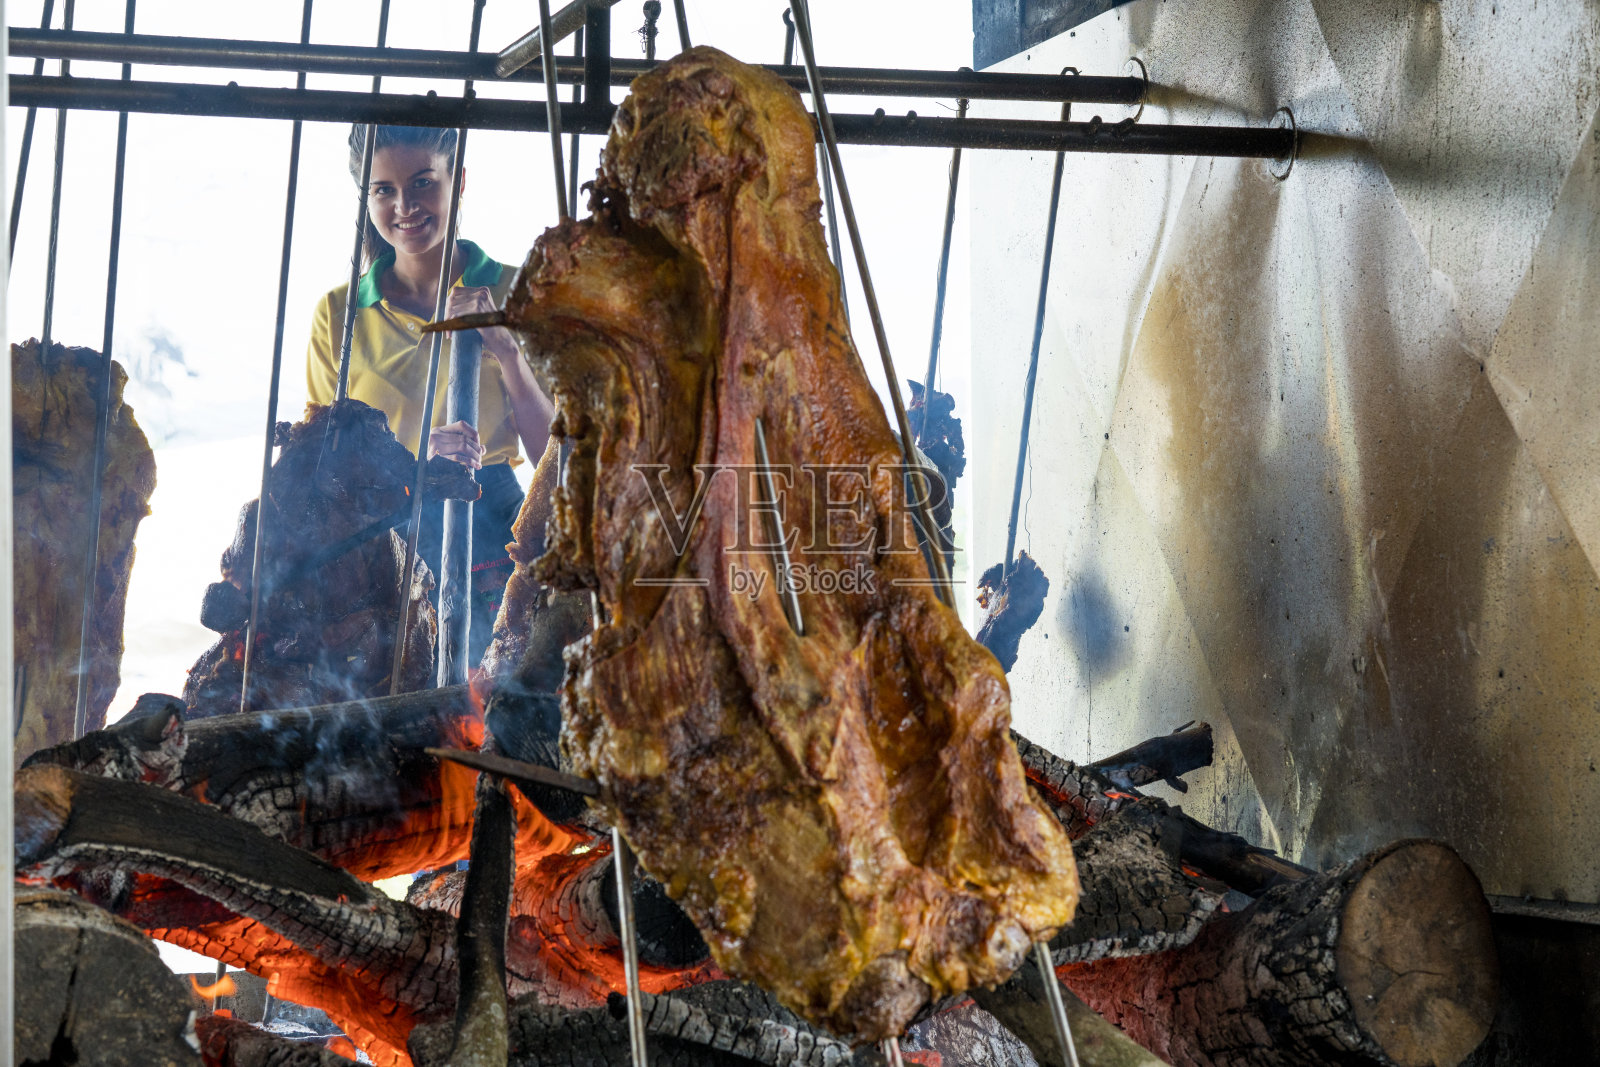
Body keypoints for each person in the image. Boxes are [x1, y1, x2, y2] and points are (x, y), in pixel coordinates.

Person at [306, 124, 552, 664]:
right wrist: (413, 465)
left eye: (422, 183)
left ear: (457, 181)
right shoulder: (340, 317)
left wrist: (507, 352)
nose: (405, 206)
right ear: (364, 197)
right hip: (386, 540)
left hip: (497, 526)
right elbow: (326, 473)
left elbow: (555, 459)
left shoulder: (522, 291)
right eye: (384, 190)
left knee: (508, 697)